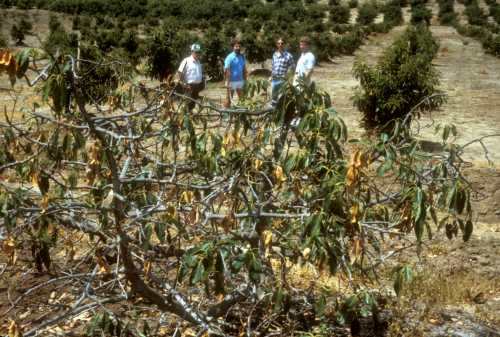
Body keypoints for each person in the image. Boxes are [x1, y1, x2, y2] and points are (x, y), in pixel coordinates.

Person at [177, 43, 204, 111]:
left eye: (199, 52)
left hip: (196, 86)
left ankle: (188, 118)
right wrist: (184, 84)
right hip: (189, 87)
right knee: (187, 104)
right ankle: (184, 119)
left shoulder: (198, 62)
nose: (198, 53)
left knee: (192, 104)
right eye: (196, 52)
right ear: (192, 51)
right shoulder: (186, 61)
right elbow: (180, 72)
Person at [271, 37, 295, 106]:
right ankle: (273, 111)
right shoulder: (274, 55)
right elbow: (273, 67)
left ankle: (282, 113)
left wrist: (288, 76)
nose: (280, 45)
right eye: (279, 43)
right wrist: (271, 76)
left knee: (282, 98)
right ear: (276, 45)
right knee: (274, 97)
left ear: (284, 45)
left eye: (282, 43)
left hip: (283, 80)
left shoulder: (288, 56)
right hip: (274, 80)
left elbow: (293, 67)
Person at [224, 38, 247, 107]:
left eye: (239, 46)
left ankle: (242, 115)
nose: (238, 48)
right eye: (236, 46)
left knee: (242, 99)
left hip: (240, 81)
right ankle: (226, 116)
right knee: (228, 99)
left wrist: (245, 80)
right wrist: (227, 82)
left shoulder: (242, 57)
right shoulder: (229, 57)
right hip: (231, 81)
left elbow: (244, 69)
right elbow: (226, 70)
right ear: (233, 47)